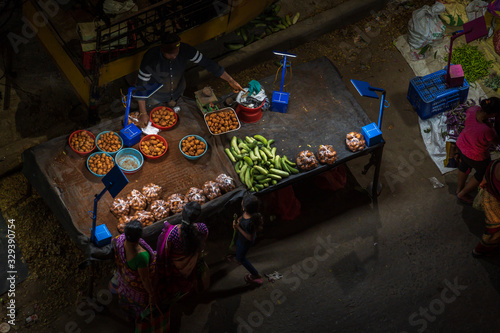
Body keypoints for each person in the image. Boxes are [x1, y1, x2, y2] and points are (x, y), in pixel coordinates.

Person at [135, 32, 243, 128]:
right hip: (156, 95)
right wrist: (143, 113)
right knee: (155, 119)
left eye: (175, 52)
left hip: (177, 90)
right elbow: (141, 86)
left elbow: (208, 63)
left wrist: (230, 80)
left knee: (177, 112)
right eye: (169, 54)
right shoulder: (151, 58)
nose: (173, 56)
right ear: (162, 49)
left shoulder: (185, 49)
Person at [156, 201, 209, 298]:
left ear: (182, 214)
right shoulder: (202, 228)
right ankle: (193, 291)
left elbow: (165, 250)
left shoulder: (172, 233)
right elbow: (202, 244)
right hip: (192, 261)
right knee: (192, 277)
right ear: (197, 217)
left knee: (179, 281)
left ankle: (181, 294)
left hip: (177, 264)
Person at [456, 97, 500, 204]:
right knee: (482, 173)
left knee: (464, 166)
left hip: (461, 145)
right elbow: (496, 141)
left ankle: (458, 189)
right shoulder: (488, 130)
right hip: (476, 155)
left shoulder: (473, 109)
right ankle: (462, 194)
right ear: (494, 114)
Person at [112, 220, 157, 321]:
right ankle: (138, 318)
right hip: (135, 283)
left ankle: (127, 312)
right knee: (139, 302)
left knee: (126, 299)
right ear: (139, 237)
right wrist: (151, 294)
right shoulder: (141, 256)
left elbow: (113, 244)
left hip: (124, 277)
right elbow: (144, 279)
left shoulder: (120, 240)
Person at [234, 193, 264, 285]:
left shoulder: (250, 223)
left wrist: (238, 227)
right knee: (238, 247)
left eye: (242, 204)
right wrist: (238, 221)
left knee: (241, 257)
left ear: (244, 208)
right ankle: (238, 257)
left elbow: (250, 238)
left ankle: (255, 275)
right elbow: (242, 217)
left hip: (246, 242)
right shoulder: (248, 213)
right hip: (241, 239)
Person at [473, 158, 500, 257]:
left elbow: (484, 181)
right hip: (494, 209)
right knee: (493, 233)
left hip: (489, 200)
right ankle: (479, 251)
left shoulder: (494, 163)